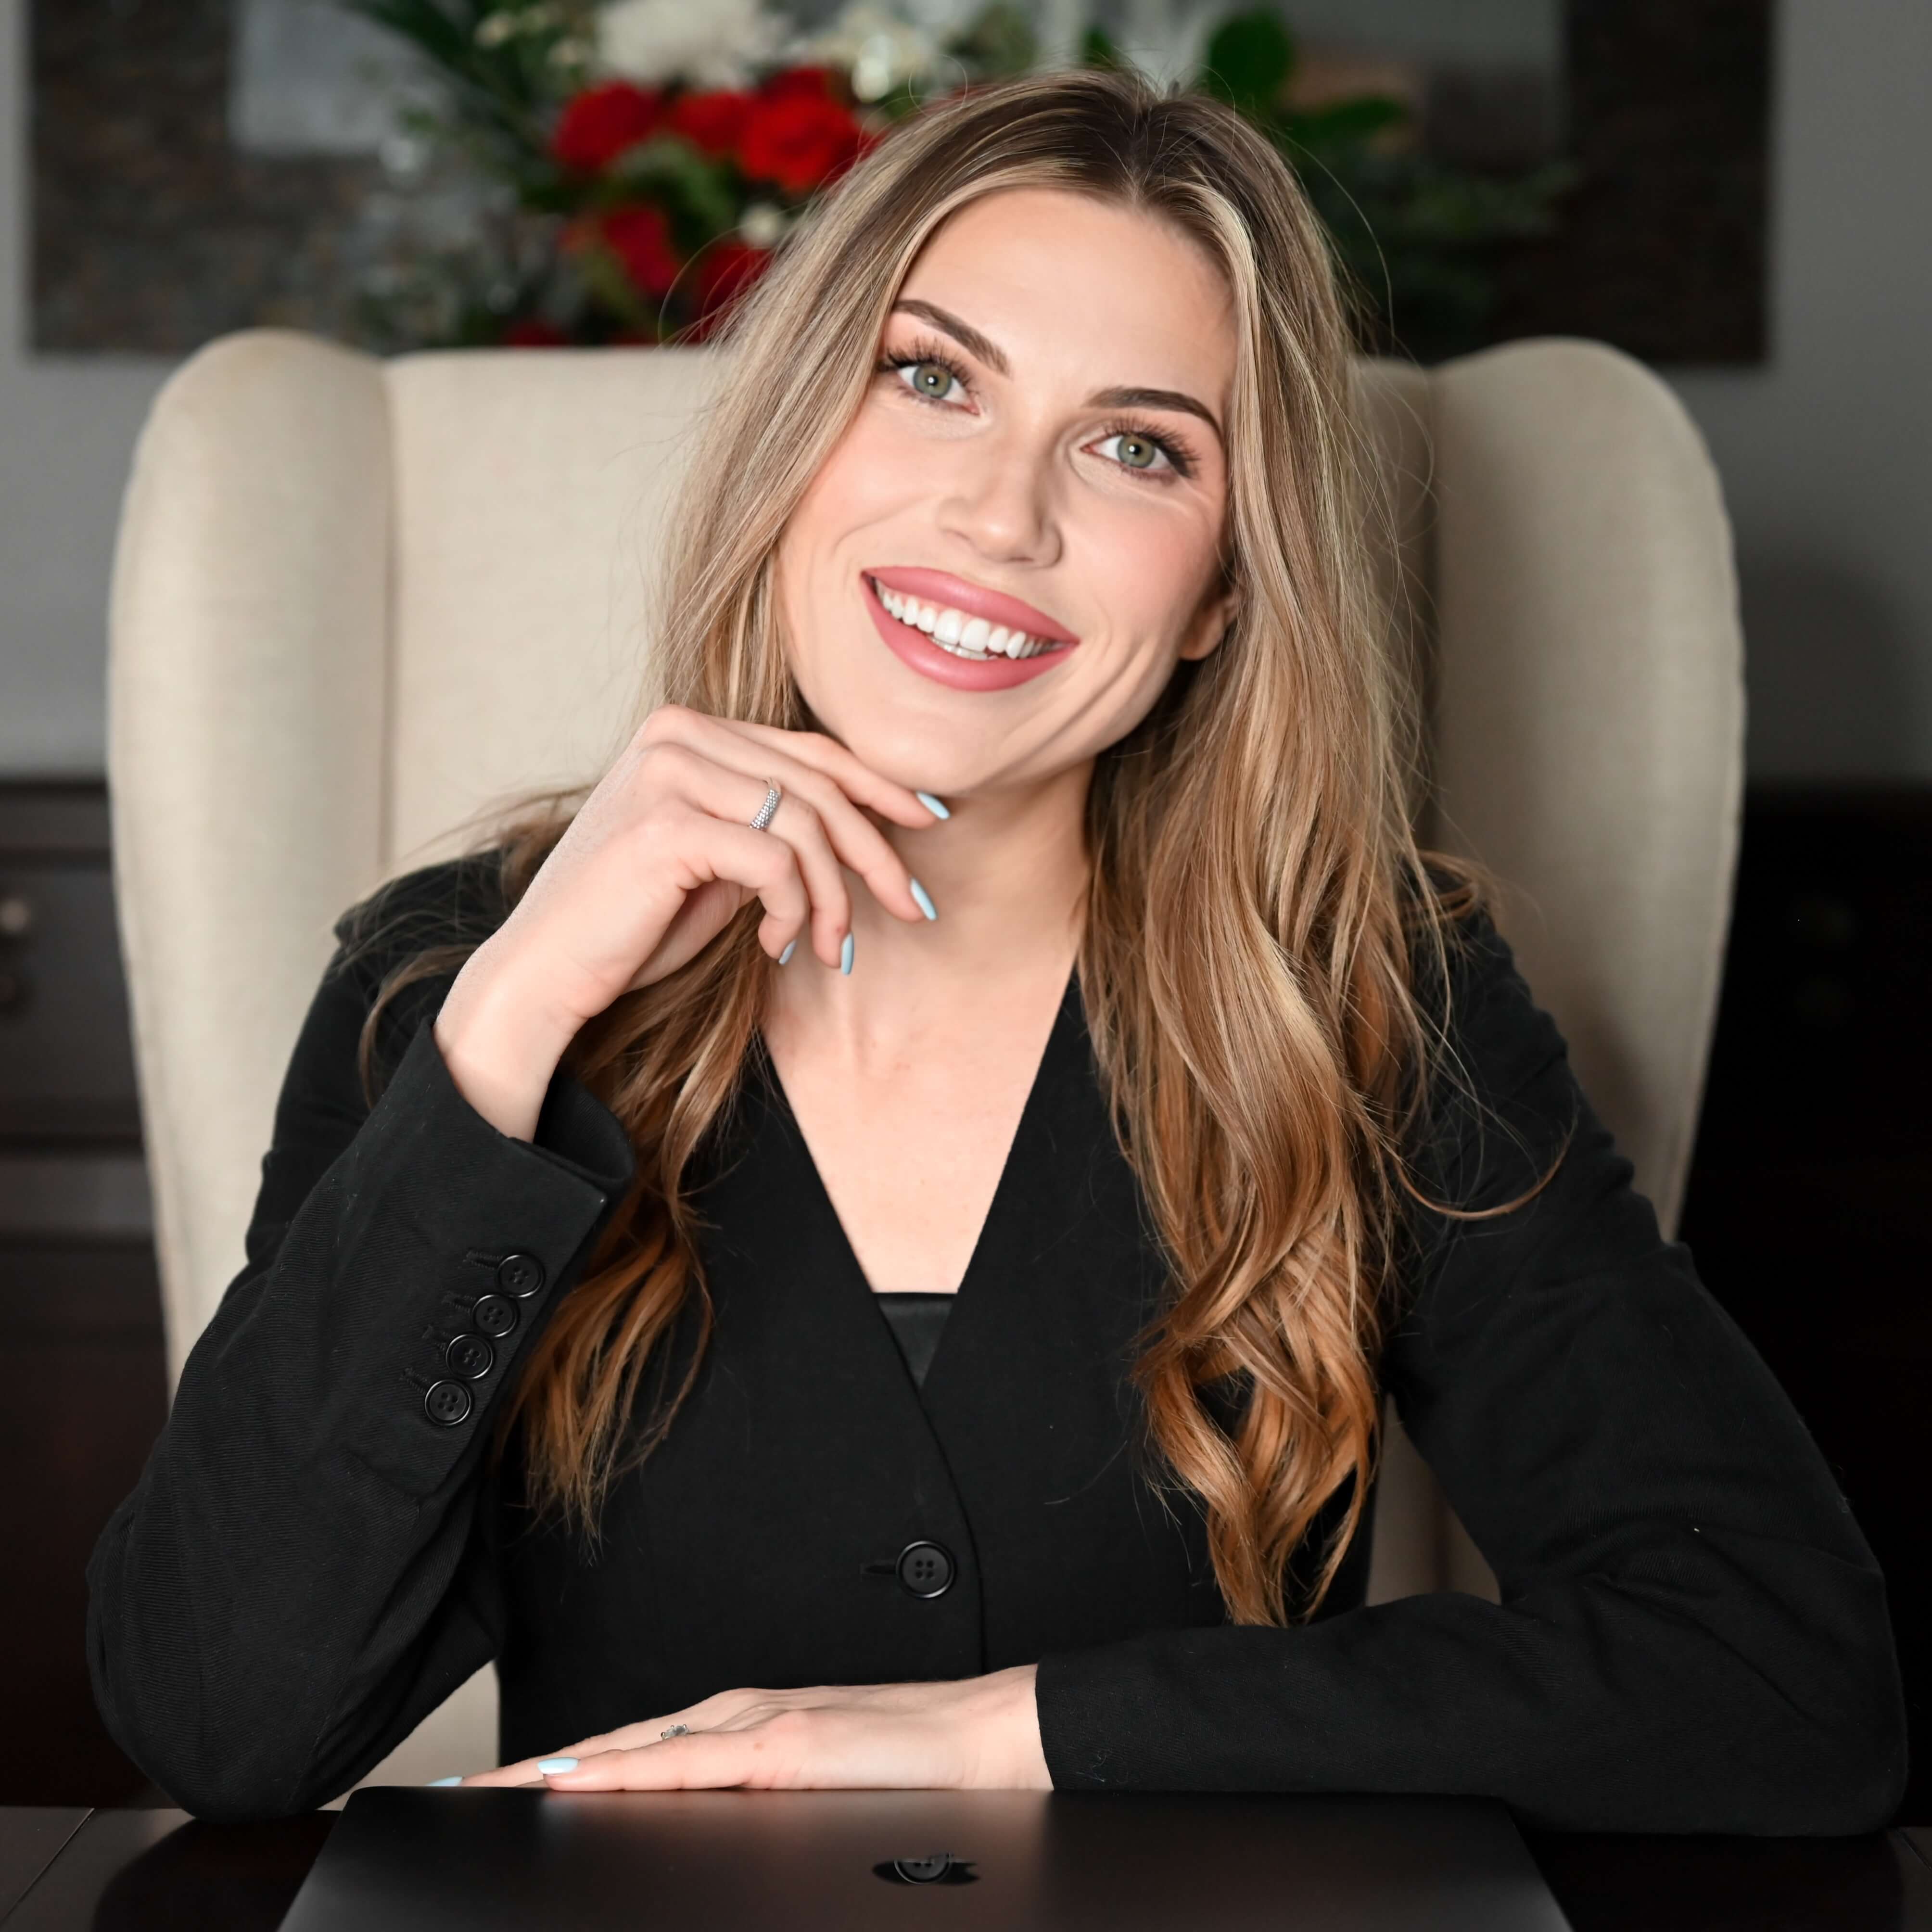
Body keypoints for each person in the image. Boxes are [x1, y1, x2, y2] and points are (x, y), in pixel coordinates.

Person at [89, 68, 1903, 1830]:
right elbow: (219, 1719)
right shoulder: (456, 990)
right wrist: (510, 1032)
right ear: (796, 433)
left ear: (1223, 592)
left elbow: (1783, 1677)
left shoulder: (1371, 1003)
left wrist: (995, 1734)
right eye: (932, 377)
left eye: (1137, 448)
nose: (1001, 514)